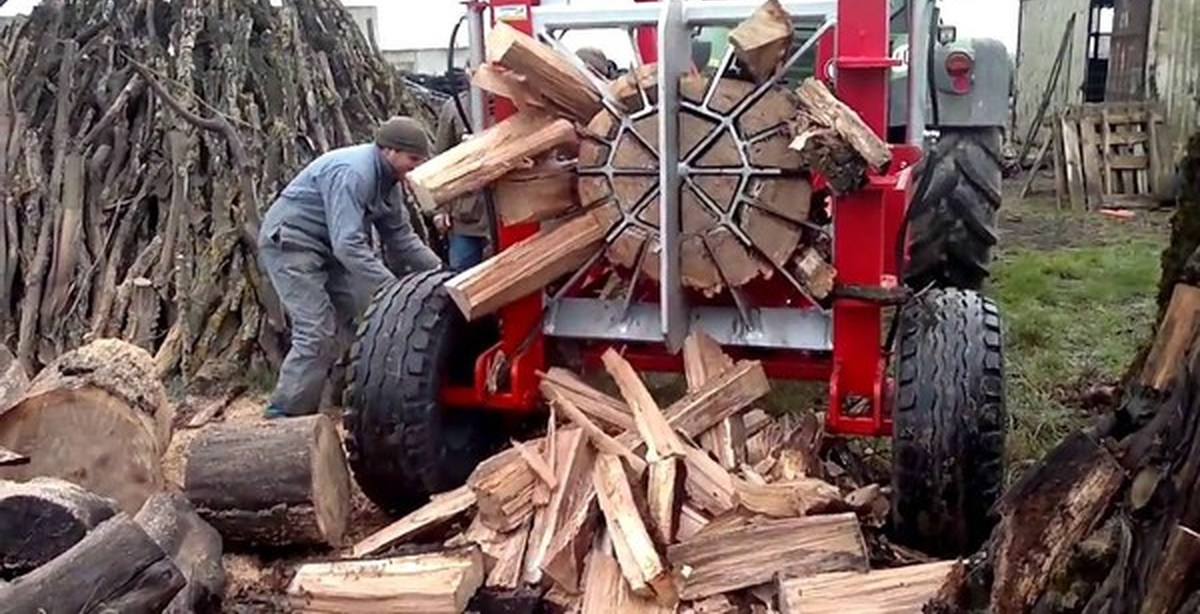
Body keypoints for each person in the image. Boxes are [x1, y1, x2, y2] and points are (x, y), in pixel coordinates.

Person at [258, 116, 443, 419]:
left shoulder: (390, 182)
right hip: (292, 244)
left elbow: (401, 237)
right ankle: (283, 416)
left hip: (328, 248)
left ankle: (332, 407)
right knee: (316, 331)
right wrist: (395, 290)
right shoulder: (353, 173)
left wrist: (441, 273)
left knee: (358, 321)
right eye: (413, 159)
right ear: (390, 151)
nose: (416, 166)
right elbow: (348, 245)